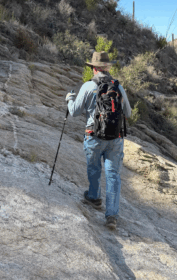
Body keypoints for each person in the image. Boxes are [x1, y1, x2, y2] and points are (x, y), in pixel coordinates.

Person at [65, 51, 131, 230]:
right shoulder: (118, 86)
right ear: (107, 68)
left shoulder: (88, 86)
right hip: (115, 138)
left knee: (94, 168)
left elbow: (74, 111)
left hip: (93, 135)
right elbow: (129, 113)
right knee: (113, 175)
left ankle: (94, 197)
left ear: (94, 68)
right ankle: (112, 216)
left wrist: (69, 100)